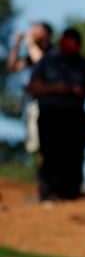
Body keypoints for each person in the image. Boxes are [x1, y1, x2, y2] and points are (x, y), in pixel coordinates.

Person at [27, 28, 85, 201]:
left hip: (74, 115)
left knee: (74, 154)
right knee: (50, 153)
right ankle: (48, 193)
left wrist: (80, 91)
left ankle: (71, 192)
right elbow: (33, 86)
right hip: (50, 114)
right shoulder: (47, 61)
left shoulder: (83, 64)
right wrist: (55, 88)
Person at [6, 21, 54, 157]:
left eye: (36, 28)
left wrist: (30, 43)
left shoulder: (52, 53)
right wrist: (16, 45)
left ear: (46, 33)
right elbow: (13, 67)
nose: (32, 31)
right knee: (38, 146)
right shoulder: (32, 55)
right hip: (36, 104)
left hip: (49, 106)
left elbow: (43, 64)